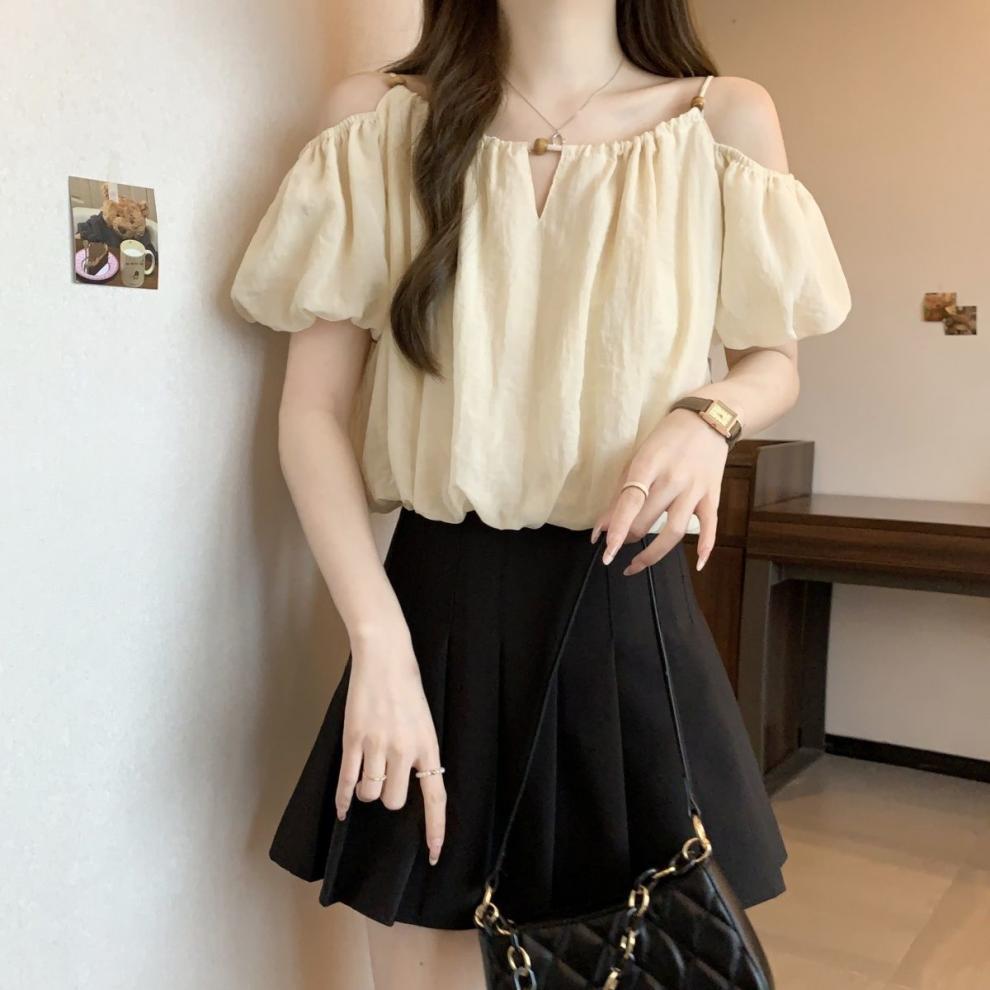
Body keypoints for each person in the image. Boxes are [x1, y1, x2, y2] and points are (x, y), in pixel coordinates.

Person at [229, 1, 852, 986]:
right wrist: (378, 640)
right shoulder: (376, 121)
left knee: (637, 953)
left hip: (626, 605)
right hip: (435, 615)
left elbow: (773, 359)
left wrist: (710, 416)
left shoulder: (719, 120)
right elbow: (311, 412)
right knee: (424, 950)